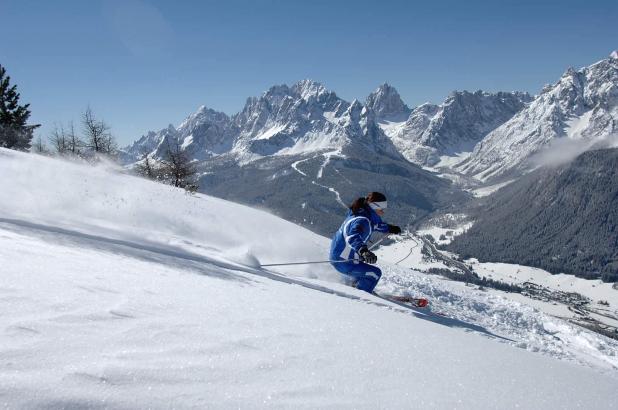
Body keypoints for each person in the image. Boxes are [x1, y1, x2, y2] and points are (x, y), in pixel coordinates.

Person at [330, 192, 402, 293]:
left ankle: (355, 284)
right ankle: (361, 296)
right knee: (375, 274)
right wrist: (363, 251)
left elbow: (375, 225)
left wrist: (389, 228)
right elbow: (353, 236)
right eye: (381, 209)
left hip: (342, 257)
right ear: (374, 207)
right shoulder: (362, 221)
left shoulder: (363, 215)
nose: (383, 212)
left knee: (363, 272)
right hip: (343, 261)